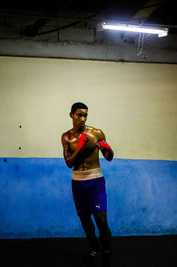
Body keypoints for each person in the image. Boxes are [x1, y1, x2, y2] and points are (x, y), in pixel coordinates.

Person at [61, 102, 114, 267]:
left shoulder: (96, 133)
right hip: (77, 183)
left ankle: (107, 252)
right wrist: (81, 147)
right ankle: (93, 247)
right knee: (84, 219)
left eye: (85, 115)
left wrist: (107, 149)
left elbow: (109, 157)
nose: (82, 119)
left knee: (102, 220)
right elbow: (69, 163)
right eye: (79, 115)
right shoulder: (66, 137)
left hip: (95, 181)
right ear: (71, 115)